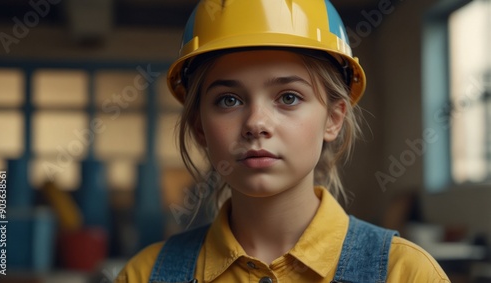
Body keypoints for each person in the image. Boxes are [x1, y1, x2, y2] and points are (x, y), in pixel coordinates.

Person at [117, 0, 450, 282]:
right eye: (229, 100)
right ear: (199, 126)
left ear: (333, 119)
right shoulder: (142, 274)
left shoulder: (406, 273)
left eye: (288, 97)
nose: (256, 124)